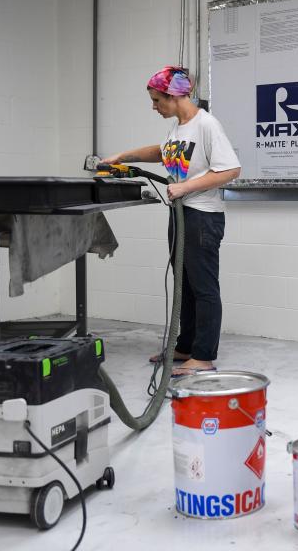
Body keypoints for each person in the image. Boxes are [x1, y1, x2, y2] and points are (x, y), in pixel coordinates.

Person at [103, 66, 240, 376]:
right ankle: (185, 346)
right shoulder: (180, 127)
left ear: (174, 95)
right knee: (185, 284)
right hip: (180, 214)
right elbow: (162, 152)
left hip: (202, 217)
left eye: (156, 100)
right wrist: (122, 156)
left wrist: (185, 187)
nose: (154, 107)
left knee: (203, 287)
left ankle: (203, 355)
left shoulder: (207, 125)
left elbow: (230, 170)